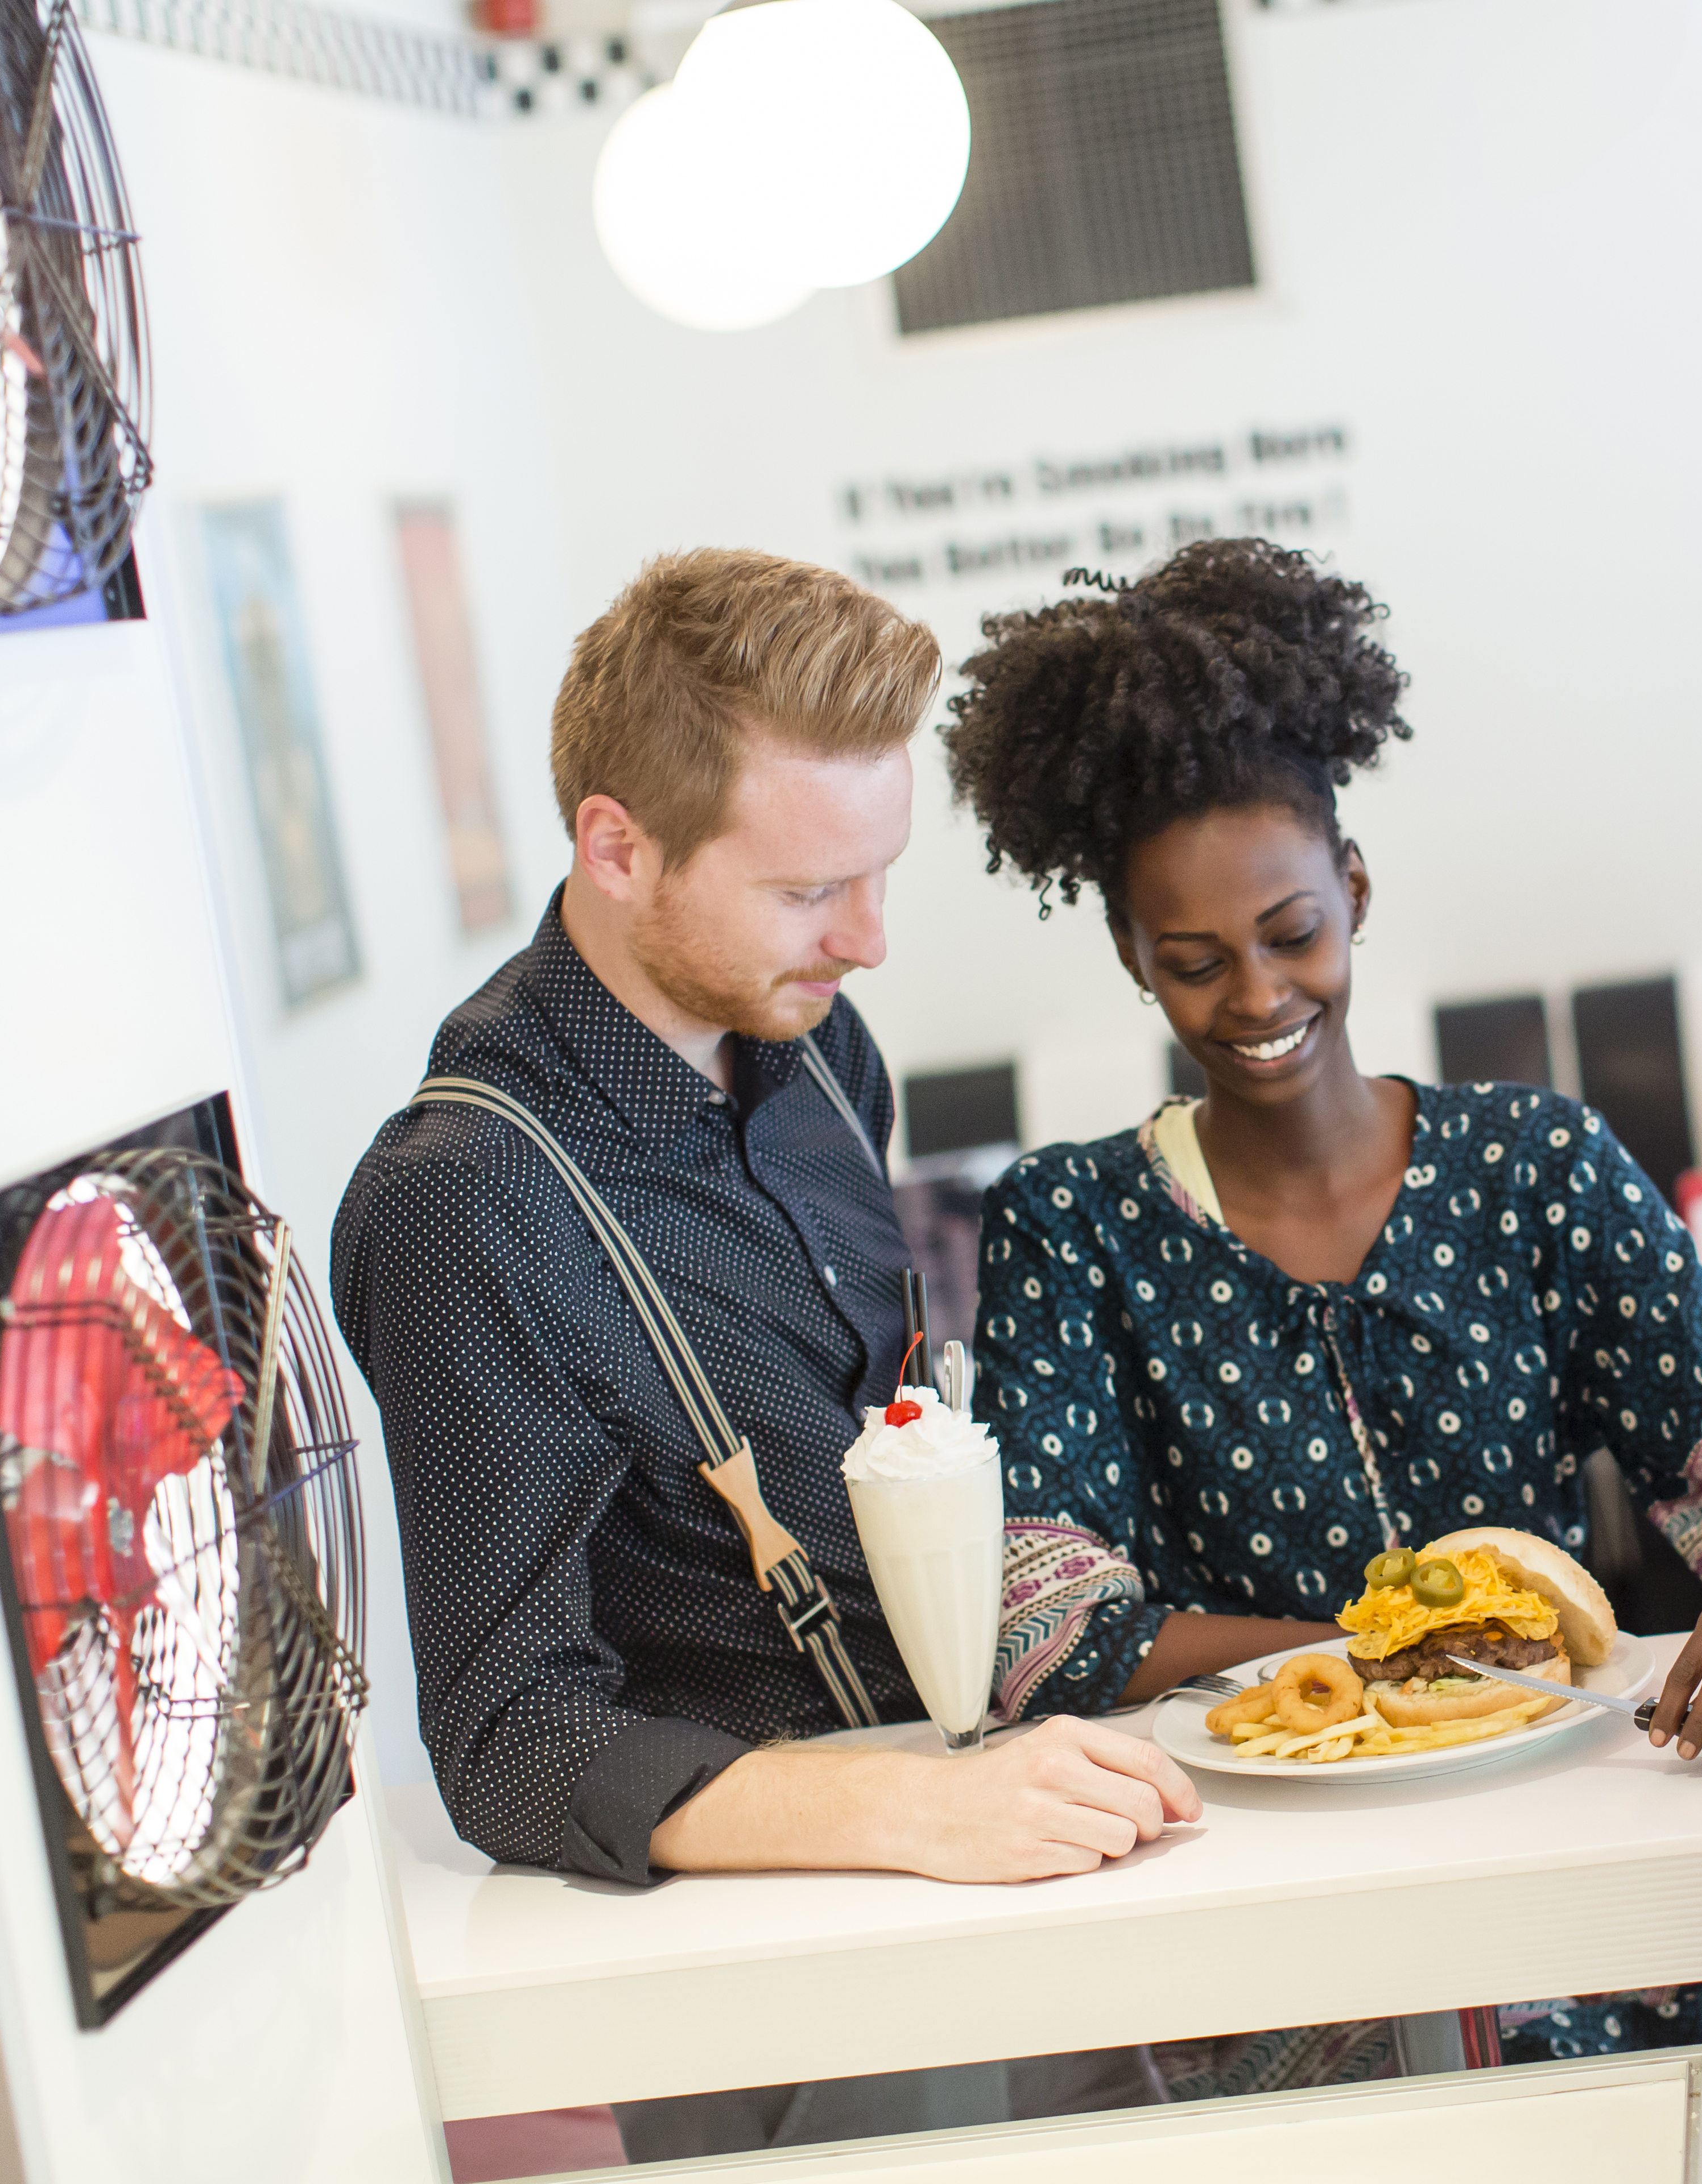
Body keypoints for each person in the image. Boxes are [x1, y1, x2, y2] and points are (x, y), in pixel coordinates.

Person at [940, 543, 1702, 2183]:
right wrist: (1404, 1676)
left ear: (1356, 883)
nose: (1258, 995)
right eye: (1195, 959)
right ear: (1136, 957)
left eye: (1290, 931)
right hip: (1280, 1935)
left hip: (1610, 1866)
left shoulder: (1532, 1169)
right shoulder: (1074, 1224)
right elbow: (1052, 1625)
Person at [332, 551, 1201, 2157]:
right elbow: (514, 1739)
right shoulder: (463, 1208)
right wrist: (918, 1813)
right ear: (617, 845)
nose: (867, 941)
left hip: (990, 1850)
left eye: (882, 875)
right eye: (811, 891)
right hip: (781, 1984)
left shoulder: (816, 1048)